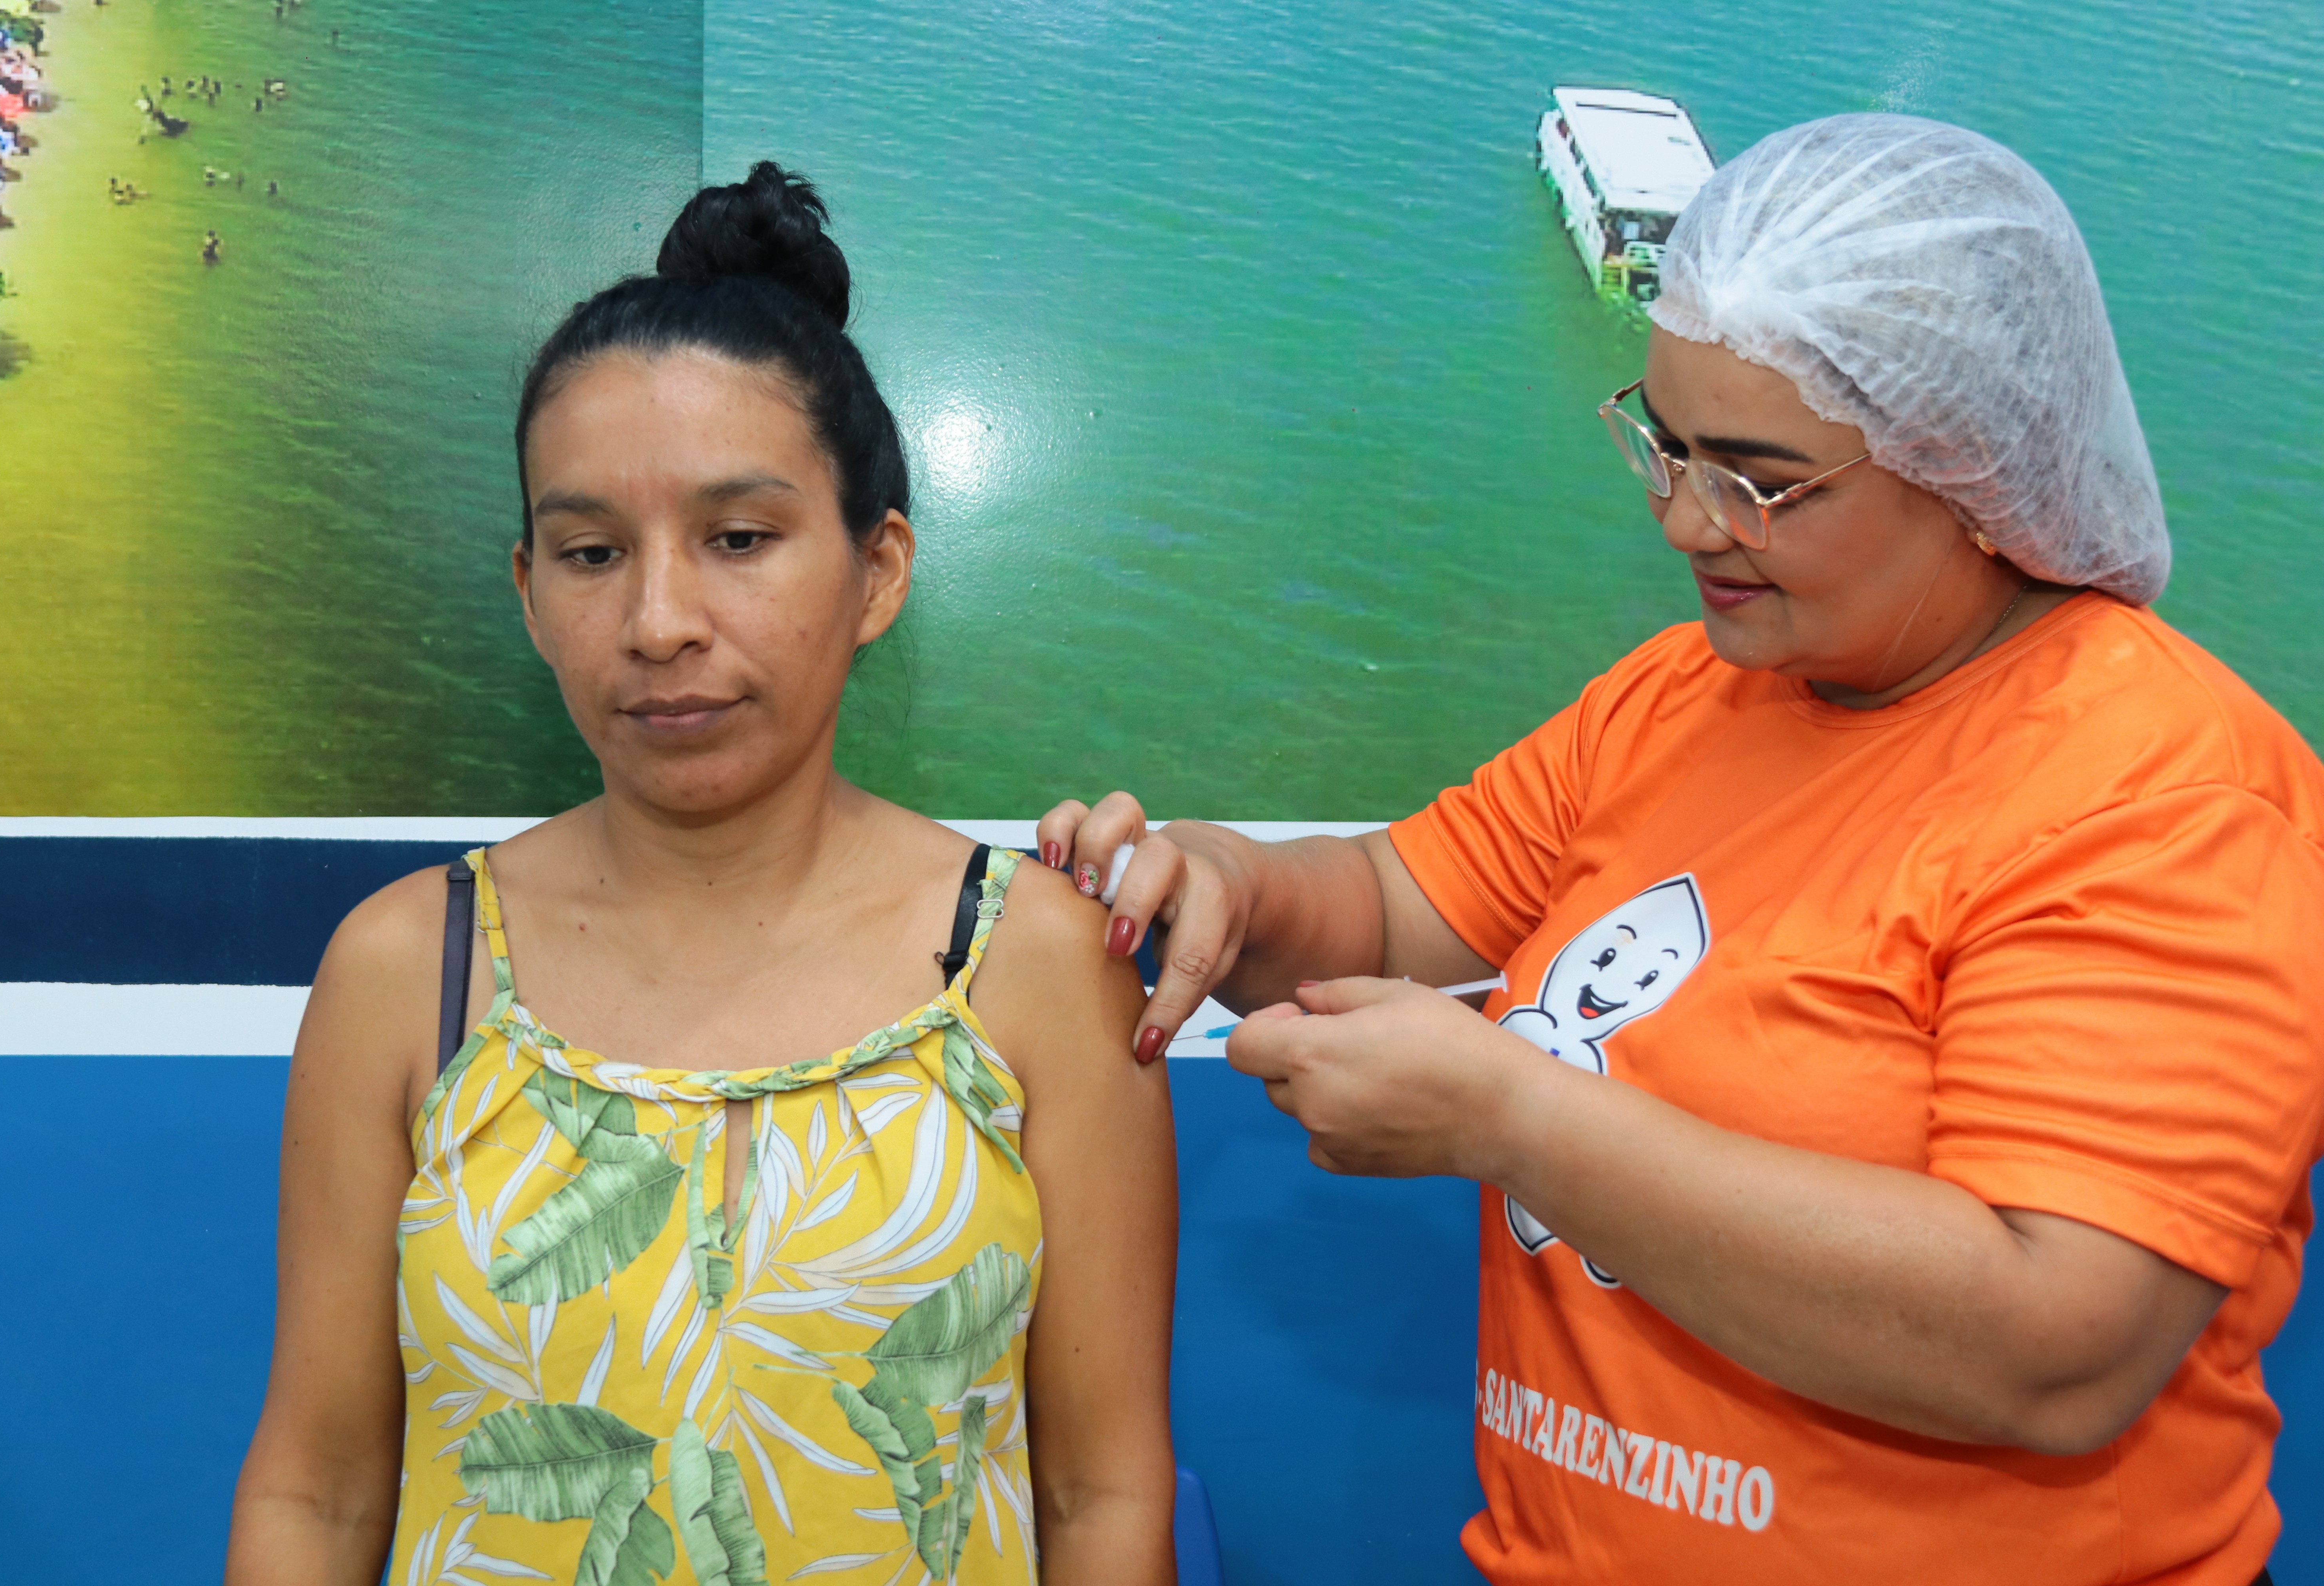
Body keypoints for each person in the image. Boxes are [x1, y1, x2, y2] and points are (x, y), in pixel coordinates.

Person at [1044, 115, 2322, 1583]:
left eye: (1761, 480)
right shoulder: (1693, 694)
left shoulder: (2161, 798)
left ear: (1970, 468)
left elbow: (2056, 1348)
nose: (1681, 518)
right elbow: (1397, 906)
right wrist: (1230, 885)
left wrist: (1517, 1124)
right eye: (1667, 444)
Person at [227, 164, 1178, 1585]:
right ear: (529, 594)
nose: (660, 620)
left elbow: (1101, 1496)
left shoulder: (1040, 965)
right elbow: (319, 1493)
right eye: (592, 552)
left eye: (740, 539)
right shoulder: (406, 971)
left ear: (879, 571)